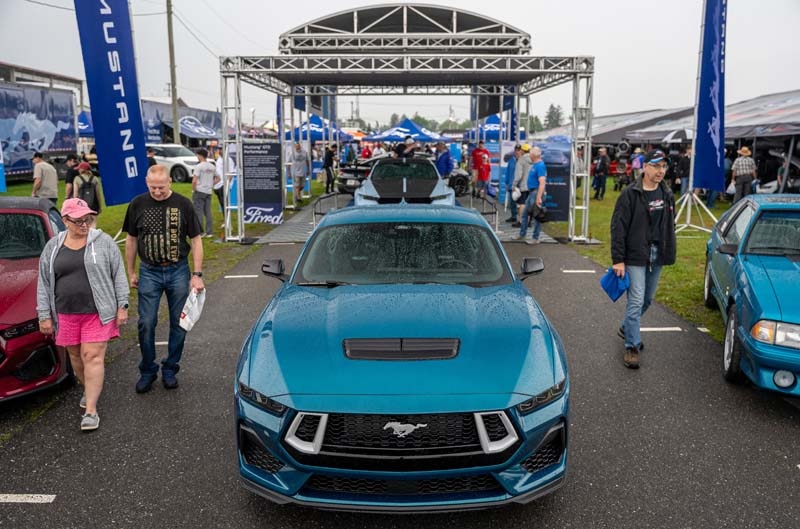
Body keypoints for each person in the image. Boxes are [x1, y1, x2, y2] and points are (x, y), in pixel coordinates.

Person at [37, 198, 129, 431]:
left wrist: (122, 305)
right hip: (66, 313)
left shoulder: (104, 242)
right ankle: (89, 388)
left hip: (98, 312)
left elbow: (118, 274)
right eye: (78, 221)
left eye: (87, 219)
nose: (84, 225)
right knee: (76, 358)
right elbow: (44, 282)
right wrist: (44, 315)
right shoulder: (53, 246)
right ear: (65, 220)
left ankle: (91, 410)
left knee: (92, 356)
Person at [123, 165, 205, 393]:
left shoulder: (183, 204)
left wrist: (197, 274)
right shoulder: (137, 204)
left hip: (178, 269)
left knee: (179, 322)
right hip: (149, 270)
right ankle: (148, 370)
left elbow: (196, 240)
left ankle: (170, 367)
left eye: (161, 187)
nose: (157, 192)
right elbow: (131, 240)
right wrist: (131, 272)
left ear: (170, 181)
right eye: (152, 187)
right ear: (146, 182)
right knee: (146, 322)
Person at [610, 149, 676, 369]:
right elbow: (618, 228)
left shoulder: (667, 194)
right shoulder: (630, 194)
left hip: (657, 255)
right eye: (656, 166)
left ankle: (627, 326)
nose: (661, 171)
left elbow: (669, 225)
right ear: (645, 166)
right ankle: (632, 346)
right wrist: (618, 259)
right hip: (635, 255)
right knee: (636, 300)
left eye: (663, 167)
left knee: (647, 299)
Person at [513, 146, 547, 244]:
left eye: (530, 154)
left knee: (536, 216)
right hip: (532, 192)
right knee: (524, 214)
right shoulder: (535, 164)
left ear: (533, 155)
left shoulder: (540, 166)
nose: (529, 156)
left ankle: (535, 238)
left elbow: (542, 182)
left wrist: (539, 197)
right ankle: (522, 234)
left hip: (536, 193)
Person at [191, 148, 217, 237]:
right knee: (208, 212)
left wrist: (194, 190)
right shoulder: (212, 166)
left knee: (199, 212)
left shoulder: (199, 166)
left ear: (200, 155)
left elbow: (194, 180)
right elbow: (218, 178)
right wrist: (211, 184)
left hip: (199, 191)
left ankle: (201, 232)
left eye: (197, 155)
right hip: (208, 191)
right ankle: (209, 232)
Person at [511, 144, 533, 228]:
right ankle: (529, 221)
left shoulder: (521, 160)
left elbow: (518, 175)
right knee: (530, 204)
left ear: (522, 151)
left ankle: (521, 221)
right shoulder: (533, 160)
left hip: (524, 185)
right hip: (532, 186)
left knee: (522, 203)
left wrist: (514, 185)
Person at [504, 145, 521, 223]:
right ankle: (514, 216)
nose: (517, 151)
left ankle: (521, 219)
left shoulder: (523, 160)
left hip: (520, 185)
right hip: (511, 184)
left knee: (521, 203)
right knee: (512, 202)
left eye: (518, 150)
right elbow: (508, 172)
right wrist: (507, 183)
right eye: (516, 150)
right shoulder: (511, 160)